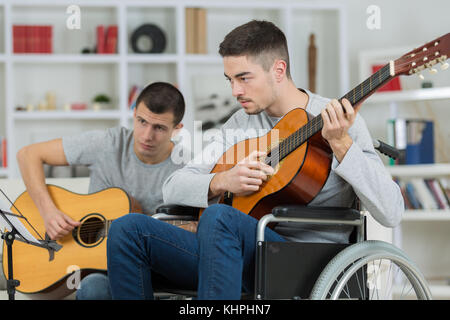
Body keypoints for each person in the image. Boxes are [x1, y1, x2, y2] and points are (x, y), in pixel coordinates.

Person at [106, 20, 404, 299]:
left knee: (219, 218)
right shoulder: (238, 124)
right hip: (235, 252)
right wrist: (224, 180)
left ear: (278, 70)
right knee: (127, 229)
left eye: (244, 78)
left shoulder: (338, 119)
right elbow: (173, 186)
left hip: (306, 260)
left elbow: (391, 211)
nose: (236, 91)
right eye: (230, 80)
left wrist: (341, 144)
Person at [16, 81, 190, 300]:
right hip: (97, 268)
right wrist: (48, 212)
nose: (146, 135)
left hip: (150, 267)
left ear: (177, 129)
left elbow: (192, 232)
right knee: (93, 288)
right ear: (134, 112)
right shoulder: (108, 143)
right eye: (142, 121)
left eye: (159, 128)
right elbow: (28, 155)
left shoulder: (187, 169)